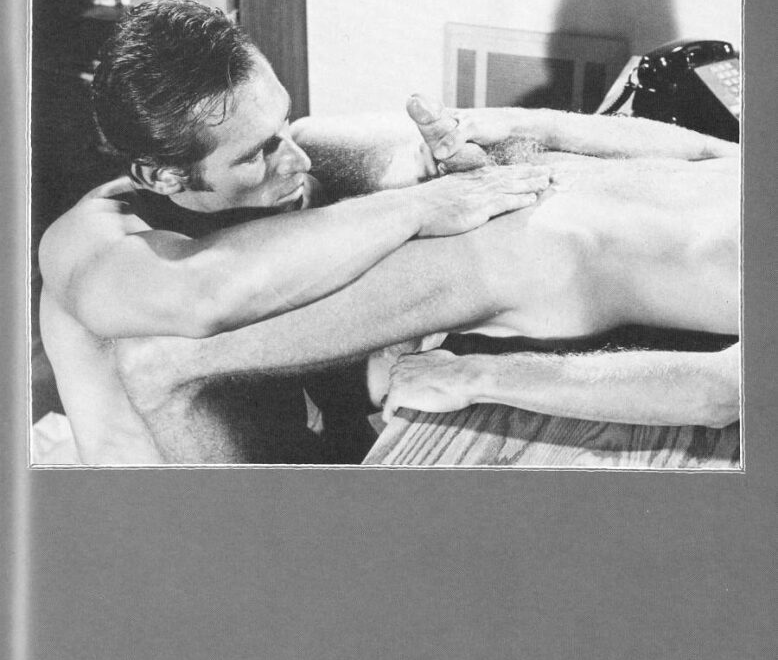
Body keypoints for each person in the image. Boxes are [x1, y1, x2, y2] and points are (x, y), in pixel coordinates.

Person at [37, 0, 545, 465]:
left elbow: (328, 383)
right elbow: (204, 294)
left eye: (283, 122)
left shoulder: (280, 196)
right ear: (163, 176)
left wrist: (451, 181)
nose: (298, 160)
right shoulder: (88, 243)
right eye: (257, 152)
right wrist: (419, 207)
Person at [114, 94, 741, 465]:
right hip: (517, 176)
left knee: (159, 363)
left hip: (520, 259)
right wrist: (524, 126)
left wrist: (477, 377)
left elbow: (719, 394)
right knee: (311, 144)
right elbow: (705, 152)